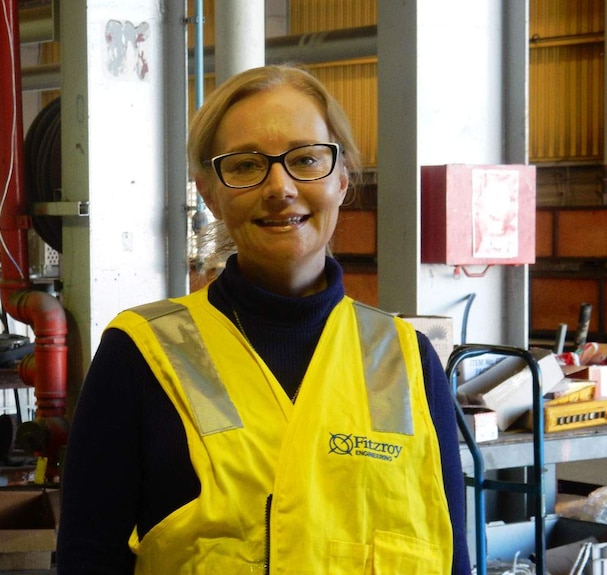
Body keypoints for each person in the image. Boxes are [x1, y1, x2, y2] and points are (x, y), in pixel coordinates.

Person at [57, 64, 471, 574]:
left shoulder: (407, 361)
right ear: (209, 193)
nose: (280, 186)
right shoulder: (141, 355)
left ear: (341, 179)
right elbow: (87, 559)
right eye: (247, 166)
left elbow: (451, 557)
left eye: (305, 159)